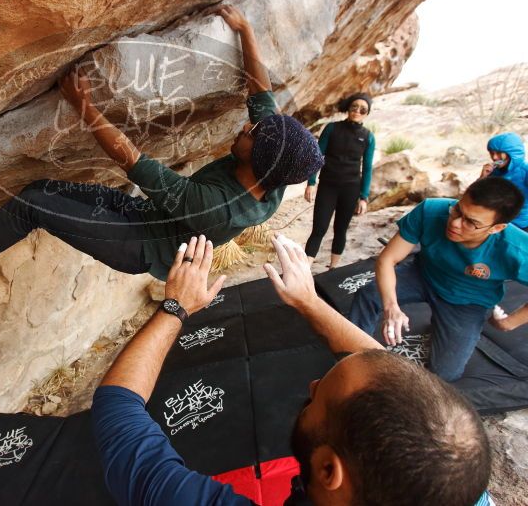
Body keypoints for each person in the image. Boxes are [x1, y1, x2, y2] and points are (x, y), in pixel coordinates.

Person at [0, 5, 323, 280]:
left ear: (263, 163)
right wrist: (246, 30)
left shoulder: (218, 209)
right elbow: (261, 96)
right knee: (37, 192)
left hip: (137, 246)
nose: (247, 129)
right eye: (255, 127)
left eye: (252, 136)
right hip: (145, 213)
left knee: (34, 205)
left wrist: (84, 106)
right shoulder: (275, 165)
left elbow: (138, 165)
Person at [91, 234, 492, 505]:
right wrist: (309, 301)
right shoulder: (455, 488)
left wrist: (175, 307)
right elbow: (388, 374)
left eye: (318, 397)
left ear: (328, 469)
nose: (314, 384)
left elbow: (117, 412)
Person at [349, 176, 528, 382]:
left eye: (471, 222)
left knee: (445, 375)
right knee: (369, 294)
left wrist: (510, 323)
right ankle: (351, 354)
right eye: (458, 209)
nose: (456, 223)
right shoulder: (431, 211)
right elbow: (387, 260)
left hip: (468, 301)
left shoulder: (517, 250)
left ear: (496, 228)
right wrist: (391, 307)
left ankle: (442, 324)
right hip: (423, 274)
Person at [304, 93, 376, 269]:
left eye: (363, 109)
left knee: (340, 230)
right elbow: (317, 156)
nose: (358, 111)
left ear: (367, 113)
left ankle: (333, 268)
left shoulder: (368, 137)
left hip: (351, 189)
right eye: (354, 106)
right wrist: (311, 183)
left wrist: (364, 197)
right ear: (348, 108)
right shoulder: (332, 128)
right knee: (319, 228)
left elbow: (367, 168)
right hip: (328, 185)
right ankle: (304, 269)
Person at [480, 132, 528, 230]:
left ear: (512, 153)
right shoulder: (493, 171)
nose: (494, 157)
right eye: (491, 153)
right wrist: (483, 178)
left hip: (520, 225)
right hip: (496, 222)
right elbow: (477, 196)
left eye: (498, 153)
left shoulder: (525, 171)